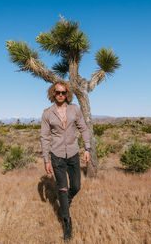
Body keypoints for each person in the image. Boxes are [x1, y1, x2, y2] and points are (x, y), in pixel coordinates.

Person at [40, 80, 91, 241]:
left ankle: (65, 202)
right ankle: (67, 224)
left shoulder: (74, 109)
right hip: (57, 155)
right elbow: (44, 137)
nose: (60, 95)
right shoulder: (47, 113)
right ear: (52, 93)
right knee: (62, 188)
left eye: (63, 92)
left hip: (74, 153)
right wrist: (46, 160)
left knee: (76, 186)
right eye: (57, 92)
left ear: (67, 93)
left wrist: (87, 148)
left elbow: (83, 128)